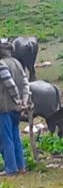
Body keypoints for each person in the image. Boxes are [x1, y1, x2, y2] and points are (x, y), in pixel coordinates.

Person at [0, 41, 31, 176]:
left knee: (6, 138)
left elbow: (10, 84)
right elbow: (25, 83)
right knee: (16, 137)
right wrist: (24, 101)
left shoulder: (2, 65)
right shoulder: (17, 63)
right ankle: (21, 166)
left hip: (4, 107)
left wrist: (17, 99)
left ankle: (11, 168)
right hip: (16, 108)